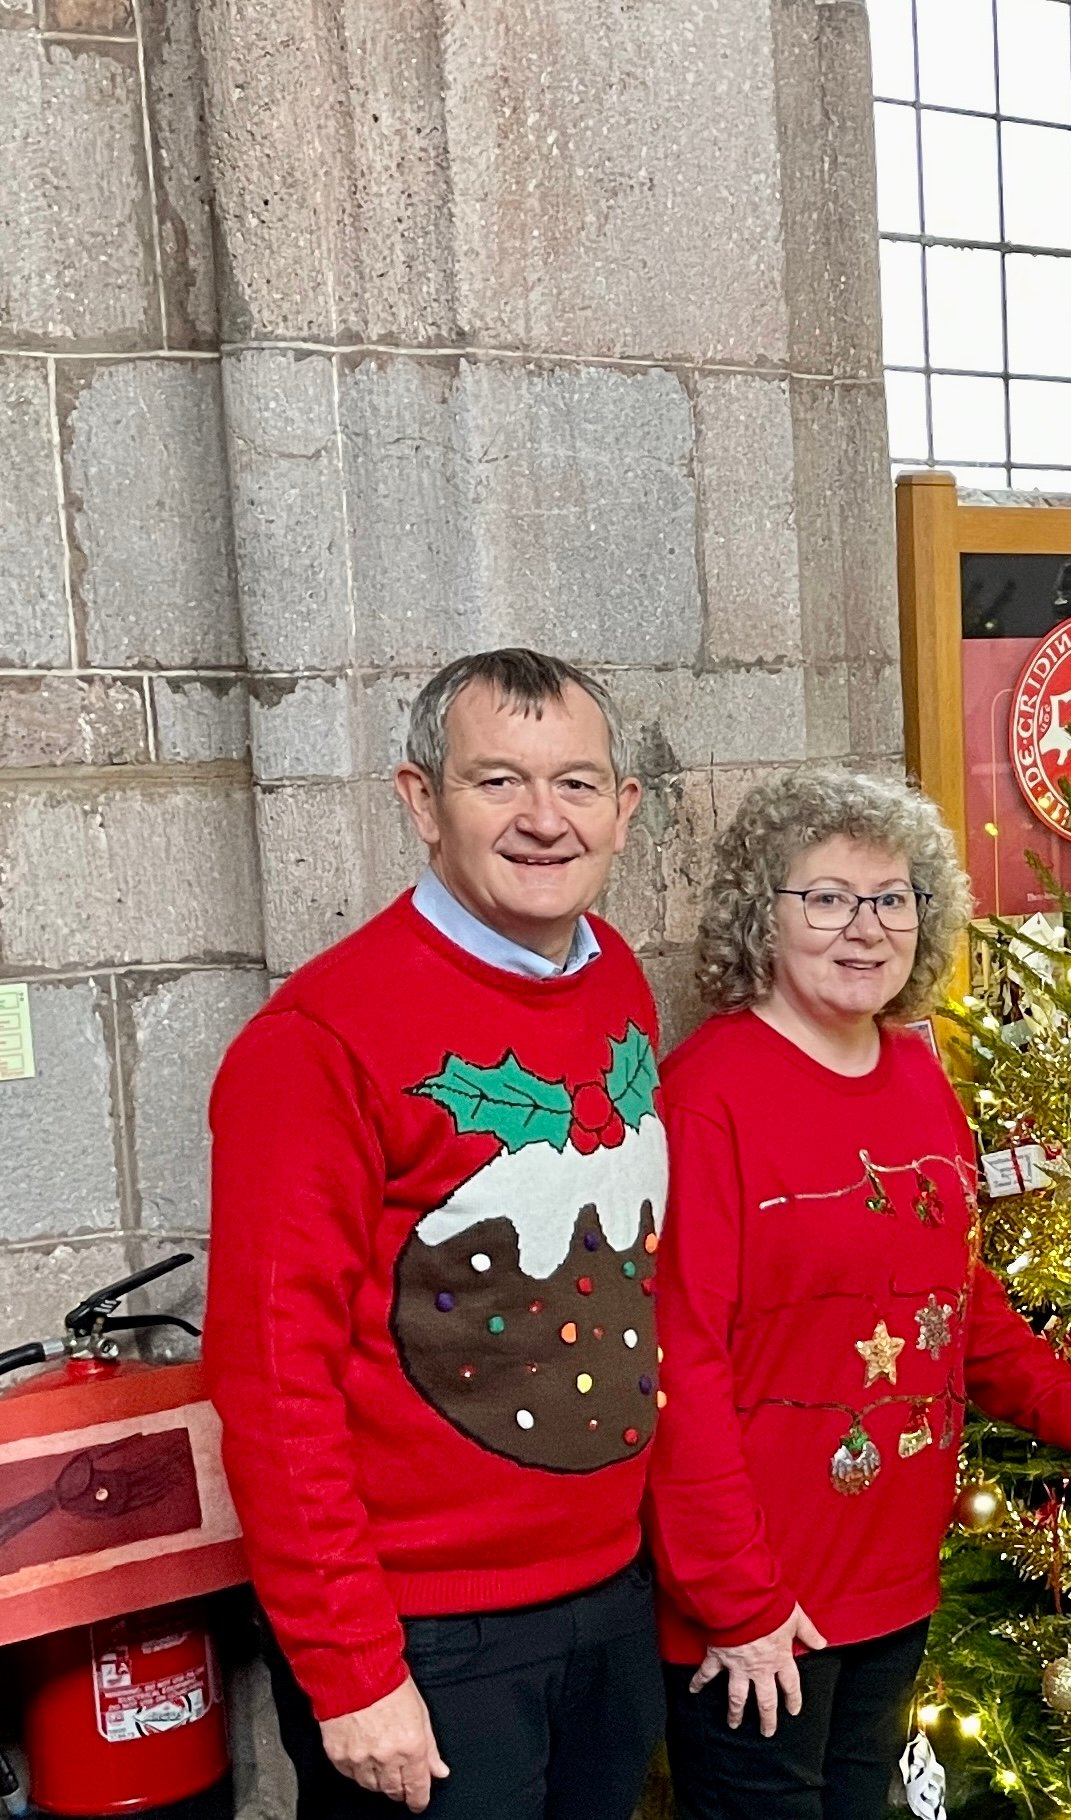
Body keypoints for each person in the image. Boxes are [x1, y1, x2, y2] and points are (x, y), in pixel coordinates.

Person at [208, 650, 667, 1817]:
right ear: (422, 800)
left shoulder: (615, 977)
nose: (543, 819)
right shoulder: (316, 1040)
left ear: (623, 809)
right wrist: (353, 1667)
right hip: (430, 1631)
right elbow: (271, 1377)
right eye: (497, 780)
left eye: (576, 783)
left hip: (611, 1591)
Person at [648, 766, 1071, 1820]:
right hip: (760, 1605)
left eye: (891, 899)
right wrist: (736, 1599)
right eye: (828, 898)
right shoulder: (708, 1096)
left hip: (890, 1576)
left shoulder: (915, 1070)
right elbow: (675, 1367)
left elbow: (952, 1288)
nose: (866, 928)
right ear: (761, 915)